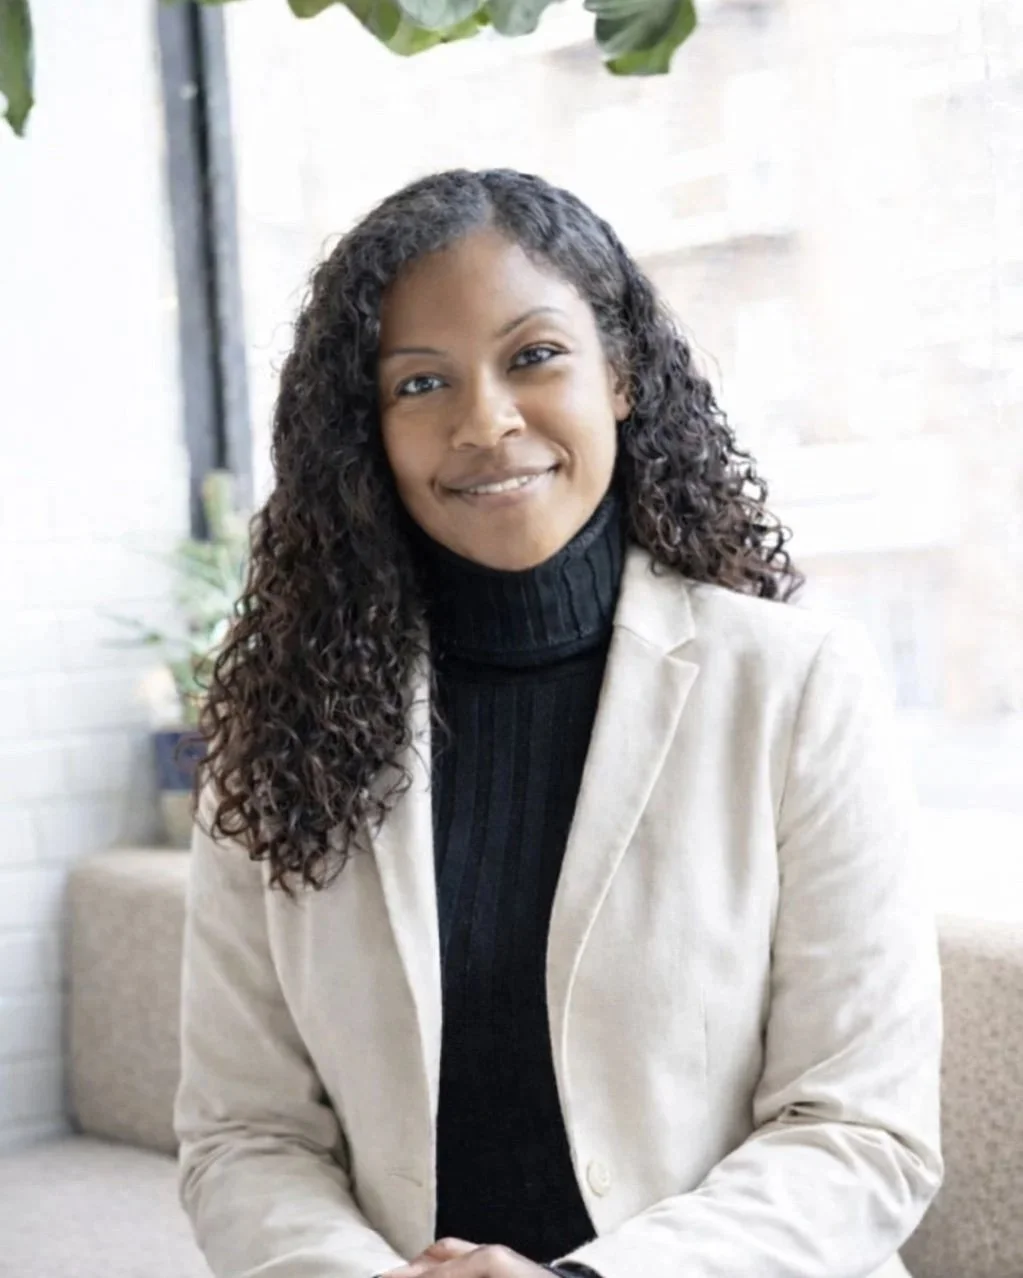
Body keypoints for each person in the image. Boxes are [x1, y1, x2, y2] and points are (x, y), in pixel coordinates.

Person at [174, 168, 943, 1278]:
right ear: (367, 435)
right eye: (421, 383)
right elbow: (245, 1134)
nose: (484, 421)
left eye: (533, 357)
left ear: (620, 375)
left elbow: (861, 1130)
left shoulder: (796, 686)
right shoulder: (277, 728)